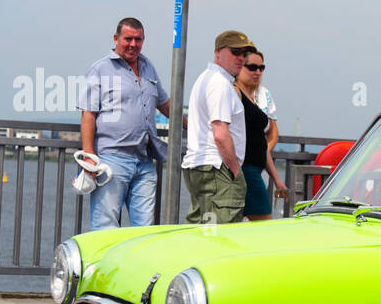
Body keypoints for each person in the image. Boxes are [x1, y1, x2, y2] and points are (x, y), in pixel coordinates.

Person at [78, 18, 171, 230]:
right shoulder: (100, 69)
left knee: (144, 229)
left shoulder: (148, 67)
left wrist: (193, 125)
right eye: (127, 39)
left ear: (143, 40)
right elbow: (88, 114)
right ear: (116, 38)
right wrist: (89, 155)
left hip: (145, 160)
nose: (133, 44)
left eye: (138, 39)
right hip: (111, 160)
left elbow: (165, 104)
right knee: (106, 225)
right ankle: (104, 264)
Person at [183, 30, 253, 224]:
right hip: (217, 167)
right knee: (222, 233)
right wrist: (236, 172)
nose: (240, 58)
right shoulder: (220, 84)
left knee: (203, 229)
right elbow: (220, 133)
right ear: (218, 53)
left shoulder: (205, 79)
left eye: (243, 54)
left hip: (202, 165)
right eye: (235, 52)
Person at [233, 48, 288, 220]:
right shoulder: (234, 93)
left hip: (254, 169)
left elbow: (262, 143)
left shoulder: (257, 98)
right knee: (263, 223)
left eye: (261, 68)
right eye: (252, 67)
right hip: (243, 168)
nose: (257, 72)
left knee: (245, 224)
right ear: (240, 66)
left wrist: (277, 179)